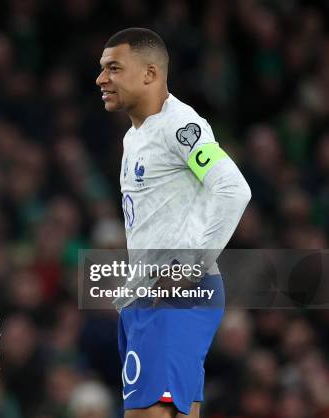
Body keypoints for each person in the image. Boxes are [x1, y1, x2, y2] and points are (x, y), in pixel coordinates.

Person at [95, 28, 251, 418]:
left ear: (150, 74)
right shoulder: (136, 134)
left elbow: (233, 189)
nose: (101, 79)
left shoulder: (180, 126)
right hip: (150, 297)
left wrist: (192, 266)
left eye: (114, 68)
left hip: (176, 298)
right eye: (102, 69)